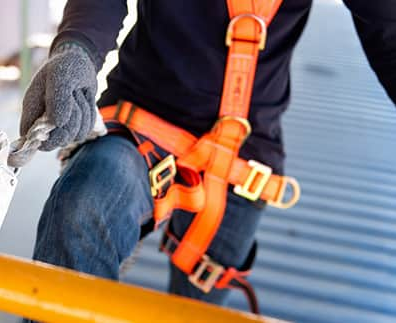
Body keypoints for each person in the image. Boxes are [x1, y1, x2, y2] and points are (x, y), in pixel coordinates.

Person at [19, 0, 396, 313]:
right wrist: (76, 51)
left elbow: (388, 31)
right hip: (143, 117)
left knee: (198, 312)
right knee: (83, 204)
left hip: (244, 158)